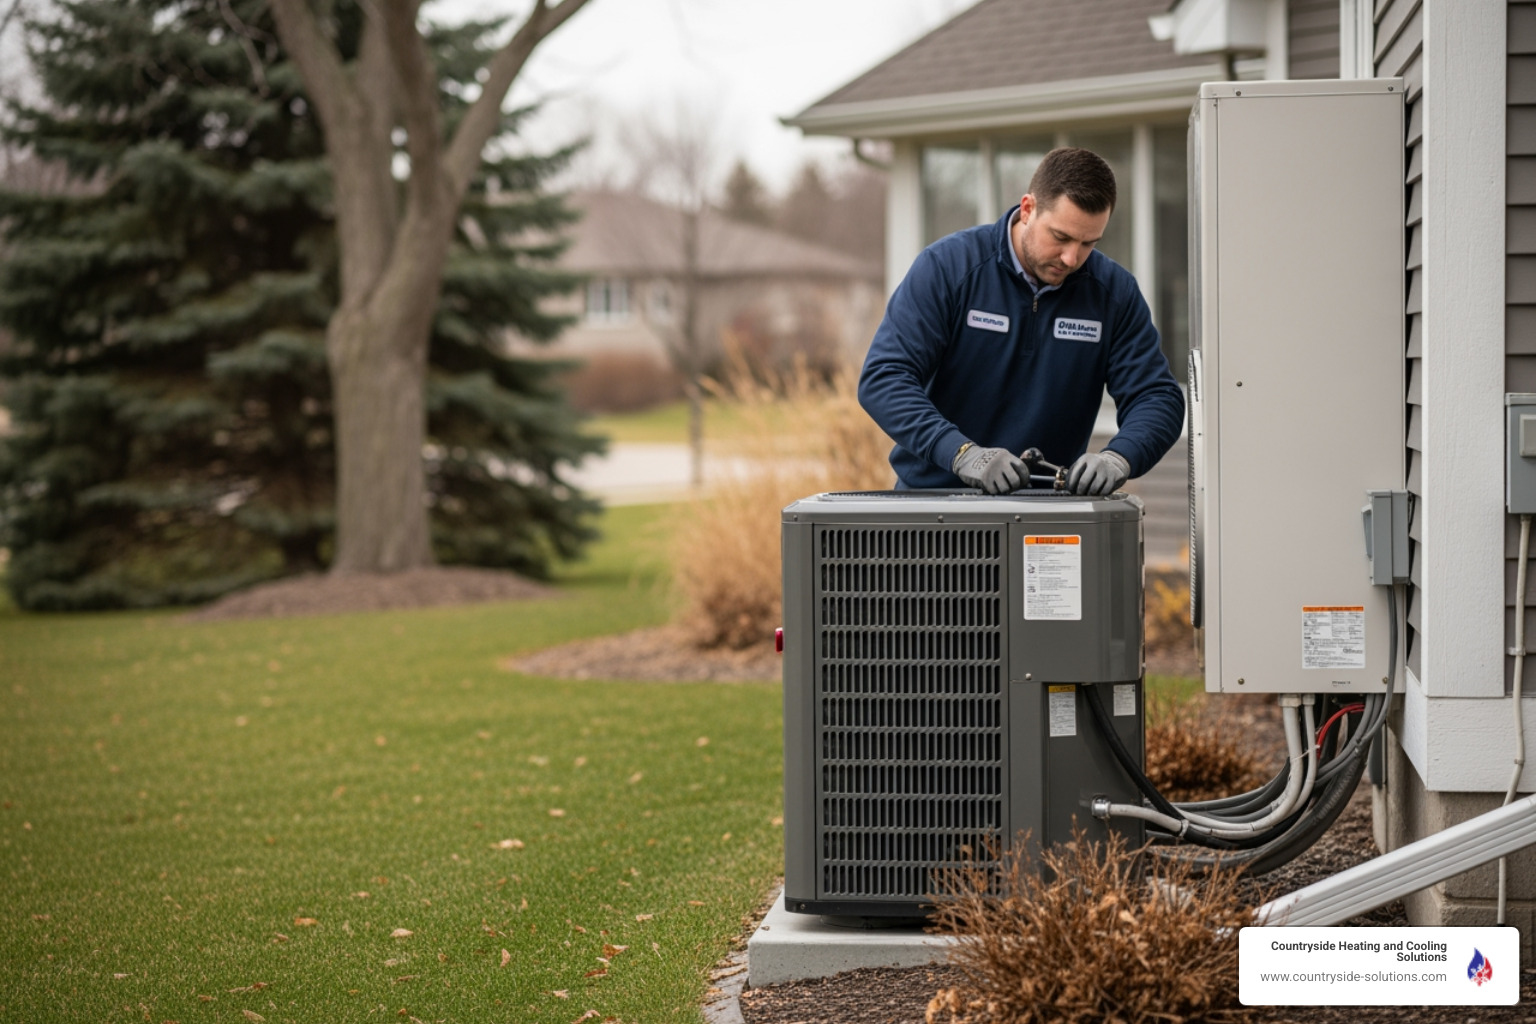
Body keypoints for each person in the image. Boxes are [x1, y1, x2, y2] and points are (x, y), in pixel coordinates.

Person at [858, 147, 1185, 496]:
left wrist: (1120, 457)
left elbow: (1157, 396)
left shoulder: (1112, 294)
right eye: (1060, 237)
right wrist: (962, 454)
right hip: (937, 503)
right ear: (1028, 209)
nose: (1071, 257)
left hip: (1049, 514)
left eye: (1088, 243)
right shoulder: (948, 269)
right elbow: (885, 378)